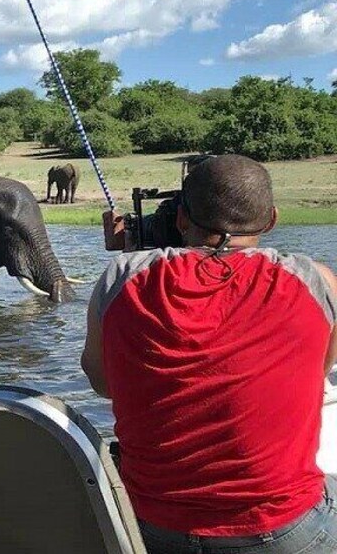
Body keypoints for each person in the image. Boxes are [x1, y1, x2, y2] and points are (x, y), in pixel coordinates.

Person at [81, 154, 337, 554]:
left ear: (182, 219)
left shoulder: (121, 276)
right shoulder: (316, 281)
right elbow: (318, 373)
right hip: (282, 530)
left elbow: (103, 384)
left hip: (152, 527)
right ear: (271, 220)